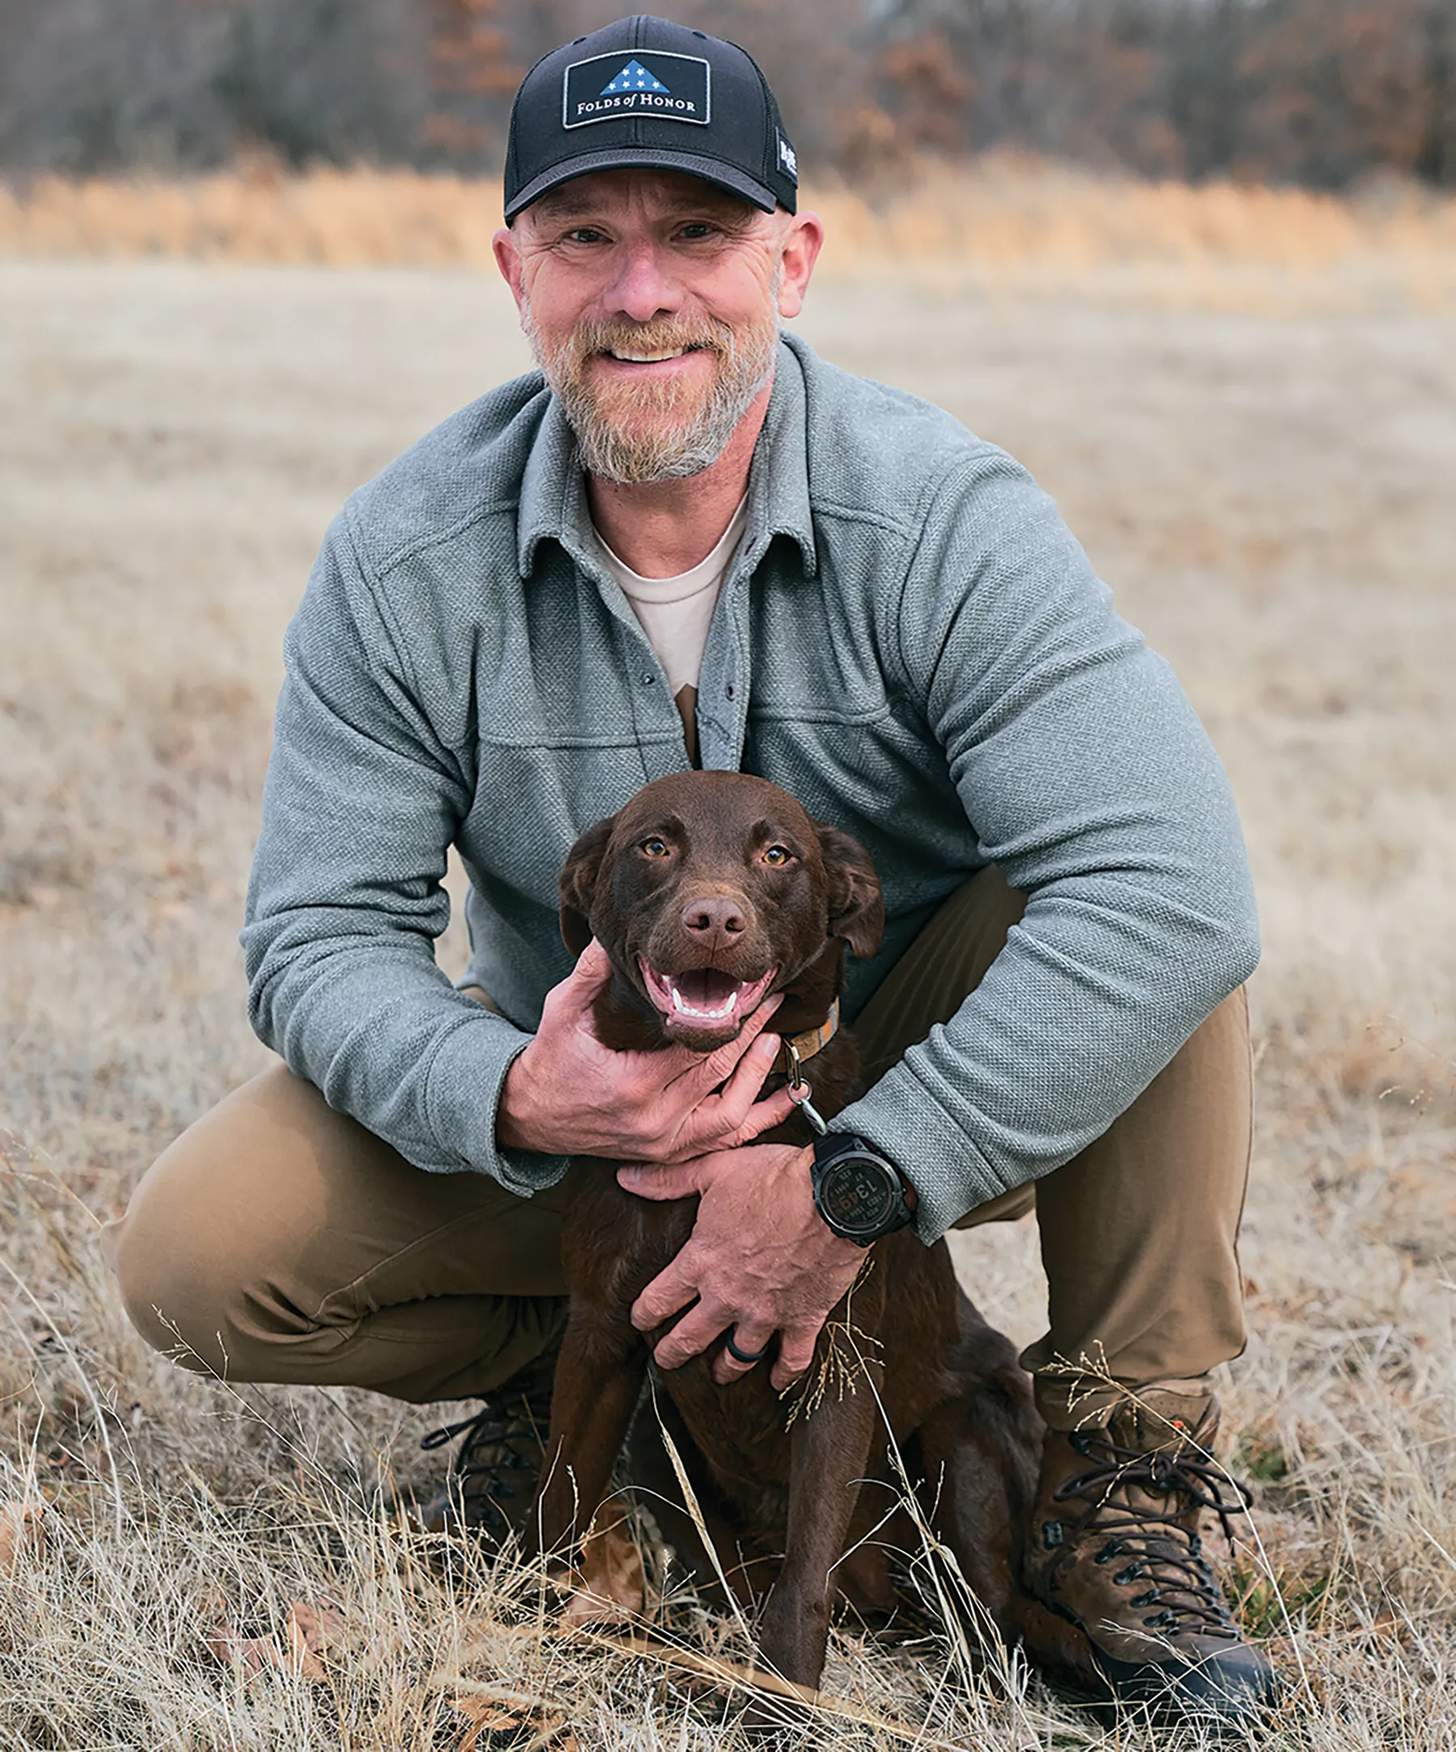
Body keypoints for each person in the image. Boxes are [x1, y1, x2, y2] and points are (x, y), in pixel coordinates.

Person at [105, 14, 1276, 1727]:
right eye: (588, 235)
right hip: (605, 1113)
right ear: (514, 268)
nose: (643, 289)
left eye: (700, 235)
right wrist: (518, 1090)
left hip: (912, 1066)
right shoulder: (404, 559)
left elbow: (1176, 893)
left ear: (790, 261)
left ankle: (1119, 1471)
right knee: (196, 1260)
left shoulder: (944, 516)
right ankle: (600, 1391)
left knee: (1140, 903)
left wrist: (854, 1179)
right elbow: (314, 936)